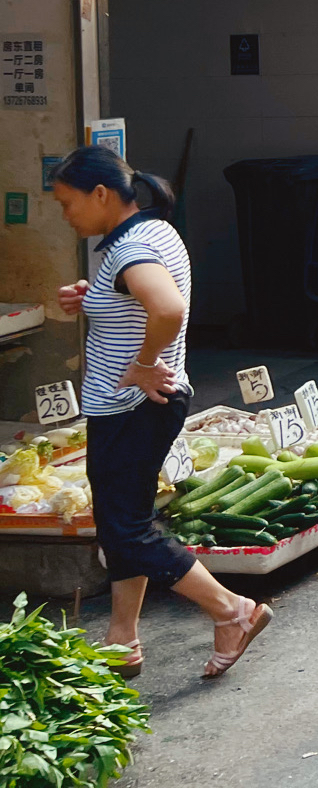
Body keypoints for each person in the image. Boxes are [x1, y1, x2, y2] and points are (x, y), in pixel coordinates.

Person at [50, 147, 271, 680]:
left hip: (132, 405)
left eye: (67, 202)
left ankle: (232, 611)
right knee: (126, 521)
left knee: (124, 530)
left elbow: (167, 307)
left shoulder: (131, 250)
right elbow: (144, 300)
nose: (66, 215)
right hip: (145, 405)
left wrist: (144, 364)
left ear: (100, 194)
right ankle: (121, 639)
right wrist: (94, 297)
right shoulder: (153, 232)